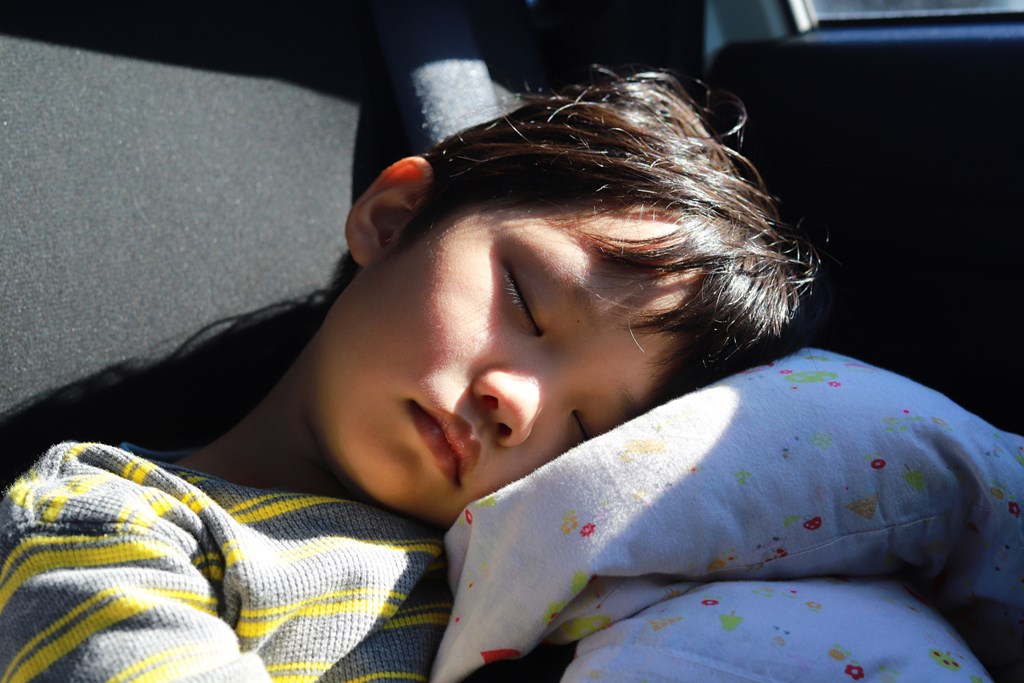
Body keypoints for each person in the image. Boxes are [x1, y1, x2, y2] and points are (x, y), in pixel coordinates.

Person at [0, 69, 828, 681]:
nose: (518, 405)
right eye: (526, 303)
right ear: (394, 218)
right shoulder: (109, 519)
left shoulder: (522, 587)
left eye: (585, 428)